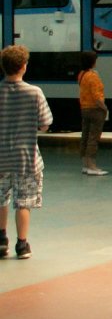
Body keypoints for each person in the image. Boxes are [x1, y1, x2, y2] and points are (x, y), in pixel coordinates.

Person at [0, 45, 52, 260]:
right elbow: (45, 123)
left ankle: (1, 239)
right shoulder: (34, 92)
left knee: (0, 199)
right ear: (23, 66)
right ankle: (22, 245)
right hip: (26, 159)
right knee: (24, 202)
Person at [77, 50, 108, 176]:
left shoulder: (81, 74)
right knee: (93, 138)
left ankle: (85, 164)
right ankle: (92, 166)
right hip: (95, 110)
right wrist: (104, 108)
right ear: (92, 62)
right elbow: (97, 97)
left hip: (84, 108)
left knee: (85, 135)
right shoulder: (93, 76)